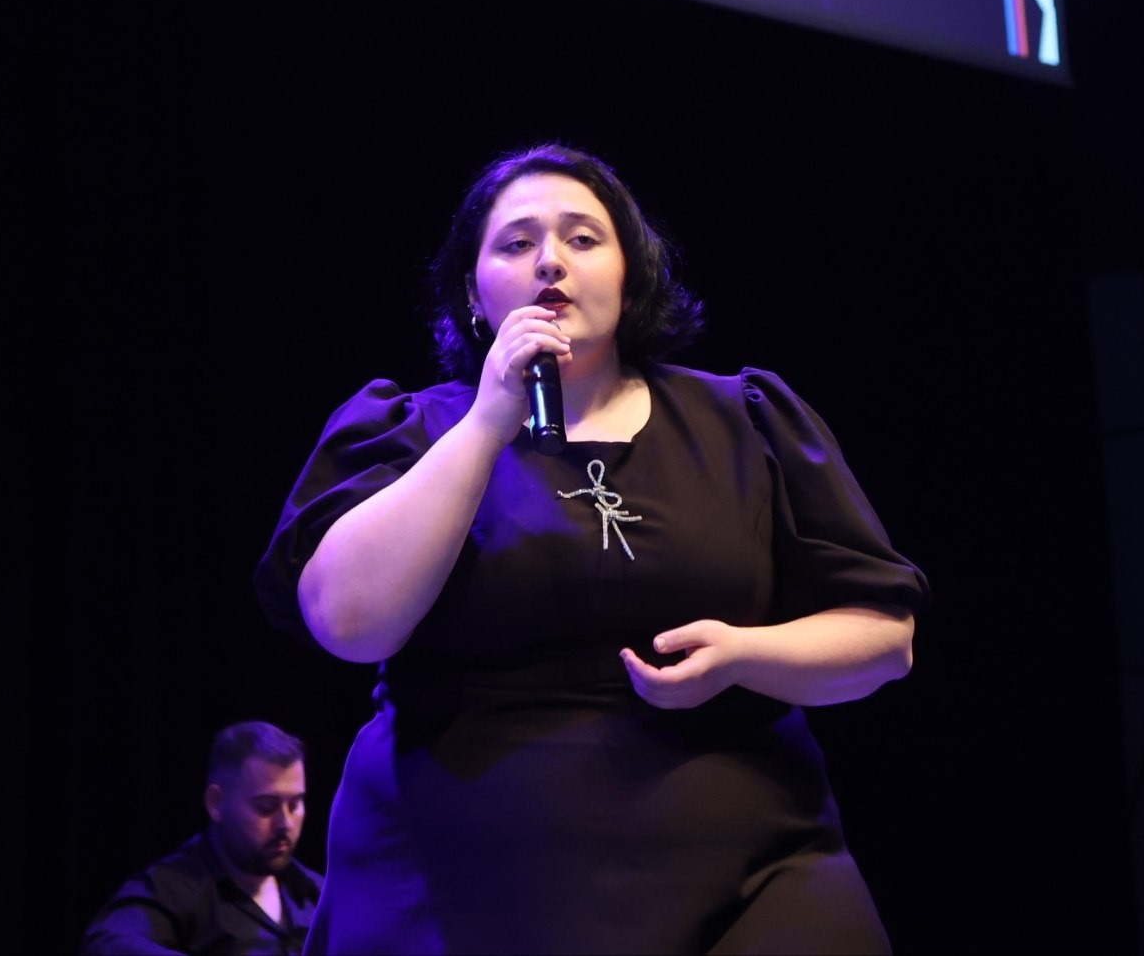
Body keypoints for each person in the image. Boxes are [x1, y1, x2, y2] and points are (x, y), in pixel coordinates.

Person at [255, 143, 926, 955]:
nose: (550, 261)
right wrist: (489, 421)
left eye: (582, 238)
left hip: (751, 866)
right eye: (516, 243)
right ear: (473, 290)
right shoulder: (411, 429)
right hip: (461, 873)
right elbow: (350, 623)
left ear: (629, 273)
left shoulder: (747, 420)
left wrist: (745, 656)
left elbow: (885, 638)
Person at [79, 720, 323, 956]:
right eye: (266, 807)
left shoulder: (316, 891)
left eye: (295, 805)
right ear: (216, 803)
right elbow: (106, 945)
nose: (285, 823)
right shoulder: (175, 886)